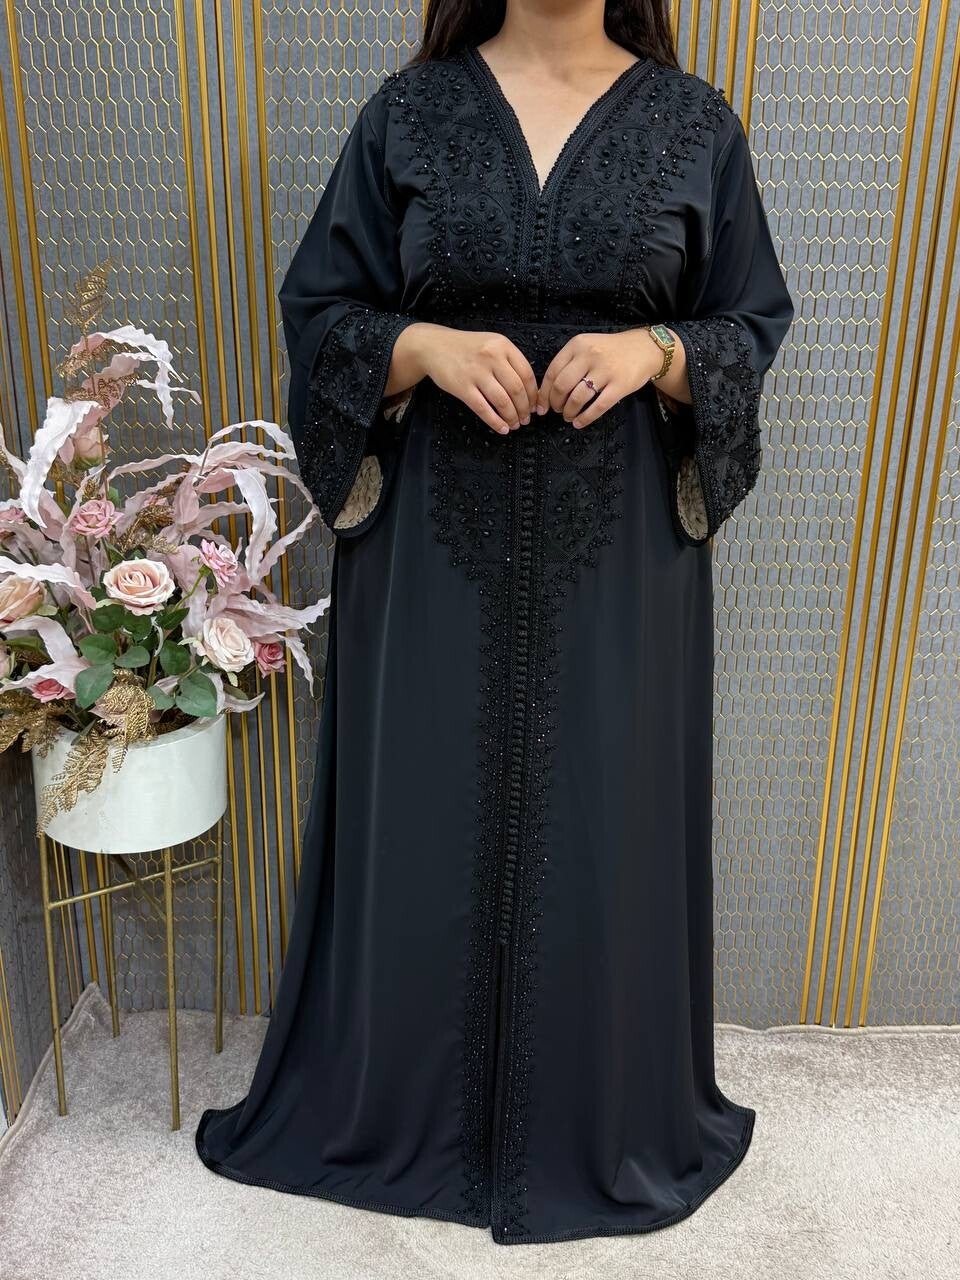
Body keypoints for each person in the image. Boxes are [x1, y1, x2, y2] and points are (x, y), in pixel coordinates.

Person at [195, 0, 795, 1247]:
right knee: (422, 804)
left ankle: (592, 1117)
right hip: (432, 548)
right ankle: (404, 1106)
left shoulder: (695, 126)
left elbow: (748, 324)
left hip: (619, 558)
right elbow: (322, 309)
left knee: (604, 817)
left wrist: (655, 353)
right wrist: (420, 346)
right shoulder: (410, 114)